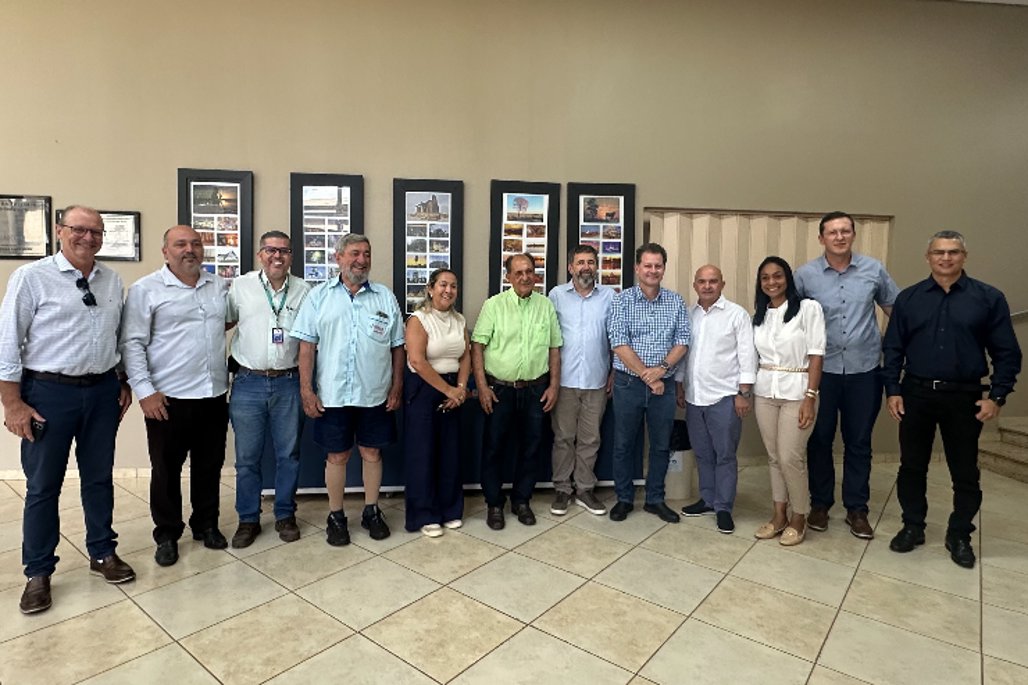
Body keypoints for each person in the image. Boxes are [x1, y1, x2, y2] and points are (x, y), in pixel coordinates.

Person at [1, 206, 135, 614]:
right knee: (43, 486)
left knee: (99, 478)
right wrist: (12, 403)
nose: (88, 238)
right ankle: (38, 572)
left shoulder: (111, 280)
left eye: (96, 232)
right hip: (48, 394)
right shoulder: (31, 277)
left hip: (101, 392)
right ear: (60, 231)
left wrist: (122, 380)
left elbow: (117, 337)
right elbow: (7, 343)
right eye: (79, 229)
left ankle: (102, 552)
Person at [884, 231, 1021, 569]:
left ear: (964, 256)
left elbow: (1007, 353)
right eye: (939, 252)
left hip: (964, 397)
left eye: (953, 252)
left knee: (965, 471)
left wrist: (997, 397)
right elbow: (893, 349)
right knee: (911, 466)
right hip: (916, 394)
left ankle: (959, 534)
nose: (946, 258)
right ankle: (913, 526)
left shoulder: (988, 298)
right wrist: (893, 391)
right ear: (928, 257)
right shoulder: (909, 299)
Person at [121, 225, 231, 567]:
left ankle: (206, 525)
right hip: (167, 399)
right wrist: (144, 391)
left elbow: (223, 324)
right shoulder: (146, 289)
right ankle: (167, 533)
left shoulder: (218, 286)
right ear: (165, 251)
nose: (189, 250)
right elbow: (132, 343)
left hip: (213, 394)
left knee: (209, 466)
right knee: (166, 470)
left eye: (195, 243)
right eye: (180, 244)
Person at [291, 234, 404, 546]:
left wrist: (397, 386)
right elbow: (306, 347)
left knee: (372, 452)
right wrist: (306, 390)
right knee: (337, 455)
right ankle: (336, 515)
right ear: (338, 257)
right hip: (333, 394)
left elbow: (397, 347)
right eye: (355, 253)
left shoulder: (384, 297)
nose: (362, 260)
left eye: (366, 254)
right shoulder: (318, 297)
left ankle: (371, 511)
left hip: (374, 393)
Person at [794, 211, 899, 539]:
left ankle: (857, 509)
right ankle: (820, 504)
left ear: (853, 234)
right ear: (821, 238)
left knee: (859, 441)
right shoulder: (805, 275)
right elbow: (791, 321)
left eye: (845, 231)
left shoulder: (873, 270)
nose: (839, 237)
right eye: (832, 232)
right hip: (821, 372)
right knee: (819, 439)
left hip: (864, 370)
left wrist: (892, 348)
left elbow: (897, 311)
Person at [225, 231, 311, 548]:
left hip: (289, 382)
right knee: (247, 458)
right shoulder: (241, 286)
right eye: (271, 250)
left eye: (284, 251)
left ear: (291, 256)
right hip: (248, 382)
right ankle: (248, 519)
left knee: (289, 455)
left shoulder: (304, 290)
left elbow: (309, 339)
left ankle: (285, 514)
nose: (277, 256)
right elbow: (224, 323)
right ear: (260, 254)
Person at [472, 253, 562, 530]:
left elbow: (554, 348)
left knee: (532, 447)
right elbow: (477, 346)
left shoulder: (545, 306)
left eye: (530, 271)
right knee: (494, 448)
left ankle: (522, 500)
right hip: (500, 389)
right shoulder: (494, 305)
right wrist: (482, 387)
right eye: (519, 272)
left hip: (536, 390)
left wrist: (554, 385)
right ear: (508, 277)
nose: (525, 277)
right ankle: (494, 503)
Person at [607, 243, 690, 523]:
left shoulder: (676, 301)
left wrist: (661, 370)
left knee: (661, 445)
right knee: (623, 444)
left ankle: (655, 499)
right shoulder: (621, 301)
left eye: (658, 266)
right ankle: (624, 498)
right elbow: (619, 343)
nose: (653, 270)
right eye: (648, 265)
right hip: (628, 384)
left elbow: (683, 341)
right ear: (637, 268)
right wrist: (647, 375)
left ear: (663, 269)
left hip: (664, 386)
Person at [675, 265, 756, 534]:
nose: (707, 286)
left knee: (724, 455)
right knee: (702, 454)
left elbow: (747, 356)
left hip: (725, 398)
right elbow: (684, 354)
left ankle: (723, 507)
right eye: (702, 281)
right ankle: (707, 499)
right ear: (695, 285)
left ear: (722, 284)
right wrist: (680, 385)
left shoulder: (736, 315)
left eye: (713, 281)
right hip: (695, 397)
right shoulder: (689, 314)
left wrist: (744, 393)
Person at [751, 256, 825, 546]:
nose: (772, 282)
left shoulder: (808, 309)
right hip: (765, 392)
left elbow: (816, 355)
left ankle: (799, 517)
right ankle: (779, 515)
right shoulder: (760, 315)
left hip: (798, 391)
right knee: (773, 457)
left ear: (788, 278)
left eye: (777, 275)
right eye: (765, 277)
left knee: (790, 457)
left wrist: (810, 397)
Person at [548, 245, 614, 517]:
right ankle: (562, 489)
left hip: (597, 380)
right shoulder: (556, 295)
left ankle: (585, 489)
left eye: (590, 262)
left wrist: (614, 372)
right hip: (563, 380)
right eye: (580, 262)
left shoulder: (610, 296)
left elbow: (616, 337)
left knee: (590, 439)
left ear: (596, 266)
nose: (585, 267)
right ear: (570, 267)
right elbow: (549, 338)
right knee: (563, 438)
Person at [403, 268, 471, 537]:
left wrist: (461, 389)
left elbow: (465, 355)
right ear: (430, 289)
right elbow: (417, 361)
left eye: (453, 286)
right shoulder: (418, 320)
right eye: (443, 285)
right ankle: (425, 514)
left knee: (450, 453)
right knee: (423, 453)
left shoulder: (459, 320)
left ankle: (450, 510)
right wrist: (448, 390)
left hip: (453, 387)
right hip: (424, 389)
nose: (448, 290)